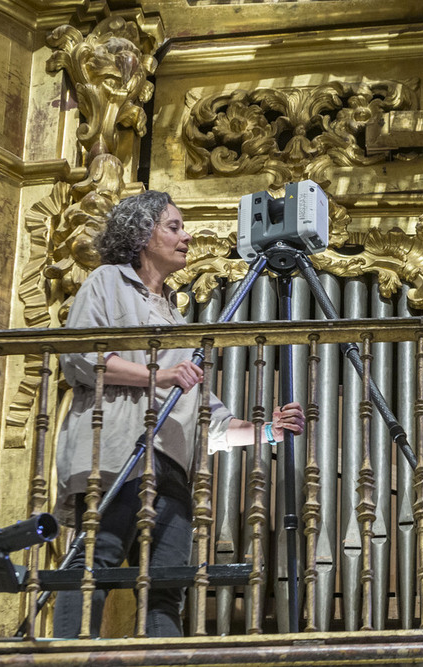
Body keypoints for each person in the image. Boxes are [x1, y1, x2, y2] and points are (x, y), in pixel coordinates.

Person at [53, 190, 305, 637]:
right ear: (141, 234)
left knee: (166, 588)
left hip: (171, 470)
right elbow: (81, 357)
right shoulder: (108, 281)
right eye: (174, 227)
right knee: (94, 565)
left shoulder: (174, 313)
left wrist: (268, 432)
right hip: (114, 457)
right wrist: (160, 376)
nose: (186, 237)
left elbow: (207, 418)